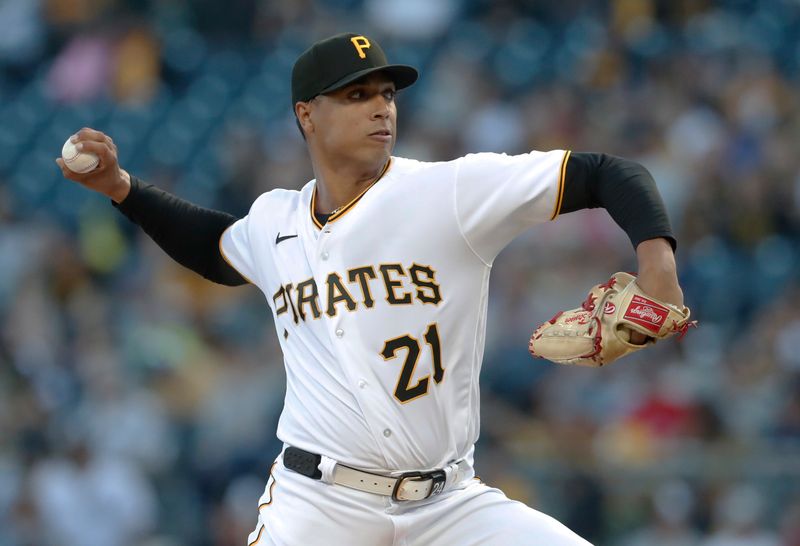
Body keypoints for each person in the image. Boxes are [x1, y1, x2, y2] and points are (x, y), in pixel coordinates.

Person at [57, 32, 685, 546]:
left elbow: (610, 173)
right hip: (318, 507)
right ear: (307, 114)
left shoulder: (450, 193)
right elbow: (215, 249)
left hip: (452, 508)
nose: (381, 107)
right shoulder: (274, 220)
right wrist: (123, 189)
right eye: (357, 95)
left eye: (386, 93)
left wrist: (659, 271)